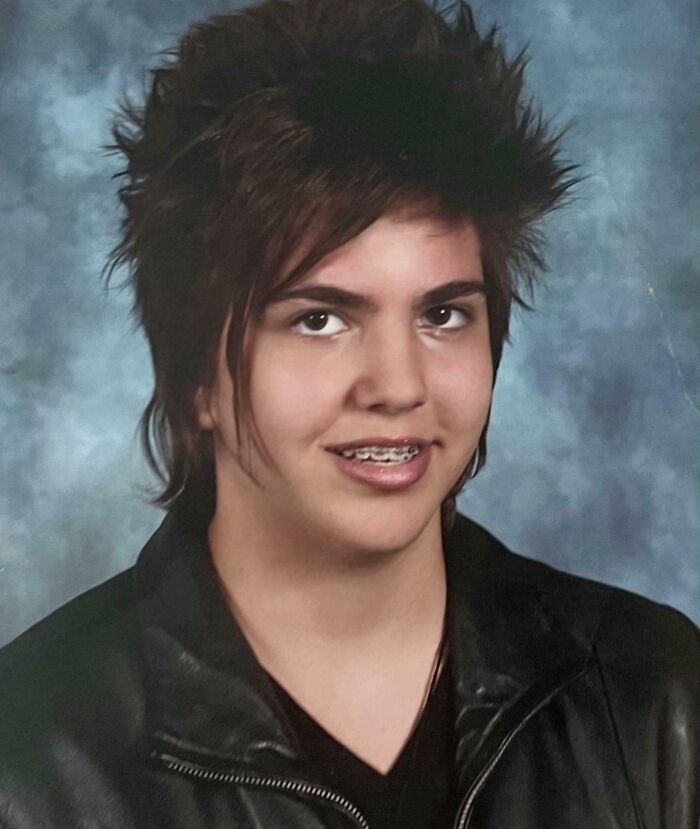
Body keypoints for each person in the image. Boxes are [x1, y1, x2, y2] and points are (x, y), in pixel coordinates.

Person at [0, 0, 697, 826]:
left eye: (443, 313)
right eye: (320, 319)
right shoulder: (31, 760)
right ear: (196, 380)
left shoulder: (652, 699)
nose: (397, 386)